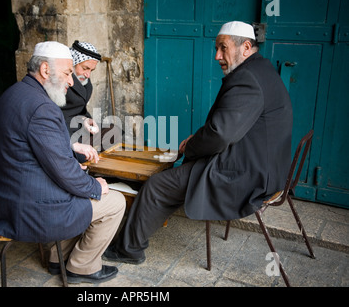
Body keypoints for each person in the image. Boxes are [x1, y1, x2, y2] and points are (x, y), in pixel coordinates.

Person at [104, 21, 293, 264]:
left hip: (247, 176)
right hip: (262, 167)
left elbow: (221, 134)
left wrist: (190, 149)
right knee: (175, 177)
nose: (217, 56)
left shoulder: (247, 78)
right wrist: (198, 139)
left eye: (223, 48)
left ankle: (127, 249)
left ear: (246, 47)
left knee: (156, 185)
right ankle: (142, 228)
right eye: (217, 49)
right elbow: (228, 126)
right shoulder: (261, 69)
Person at [0, 41, 126, 284]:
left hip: (9, 202)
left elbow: (33, 143)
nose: (71, 80)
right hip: (33, 210)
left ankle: (57, 258)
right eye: (66, 73)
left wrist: (72, 146)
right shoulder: (42, 107)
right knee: (115, 201)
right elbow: (63, 171)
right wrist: (96, 187)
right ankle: (82, 267)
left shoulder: (14, 93)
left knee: (76, 181)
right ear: (45, 70)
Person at [61, 40, 102, 162]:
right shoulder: (61, 84)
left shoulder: (86, 82)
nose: (88, 74)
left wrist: (87, 119)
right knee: (84, 156)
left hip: (79, 126)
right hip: (64, 130)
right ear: (72, 63)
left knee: (116, 134)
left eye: (91, 70)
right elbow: (54, 116)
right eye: (85, 68)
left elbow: (81, 110)